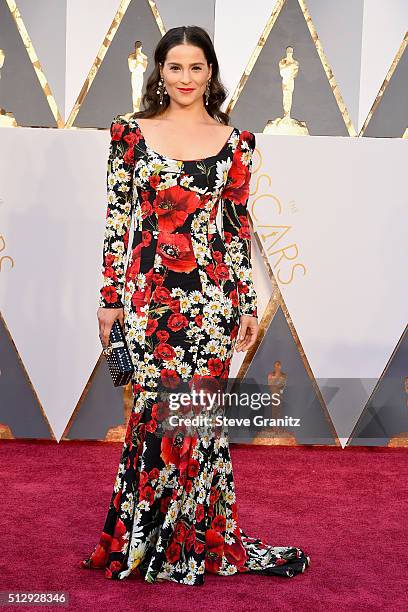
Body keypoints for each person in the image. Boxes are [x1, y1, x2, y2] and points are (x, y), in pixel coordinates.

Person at [80, 25, 310, 585]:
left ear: (211, 73)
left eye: (196, 67)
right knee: (153, 418)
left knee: (199, 421)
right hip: (149, 300)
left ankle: (194, 542)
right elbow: (118, 219)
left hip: (212, 303)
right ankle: (144, 542)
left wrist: (248, 304)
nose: (185, 78)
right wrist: (110, 298)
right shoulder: (128, 135)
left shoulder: (238, 143)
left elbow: (236, 228)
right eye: (175, 67)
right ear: (160, 71)